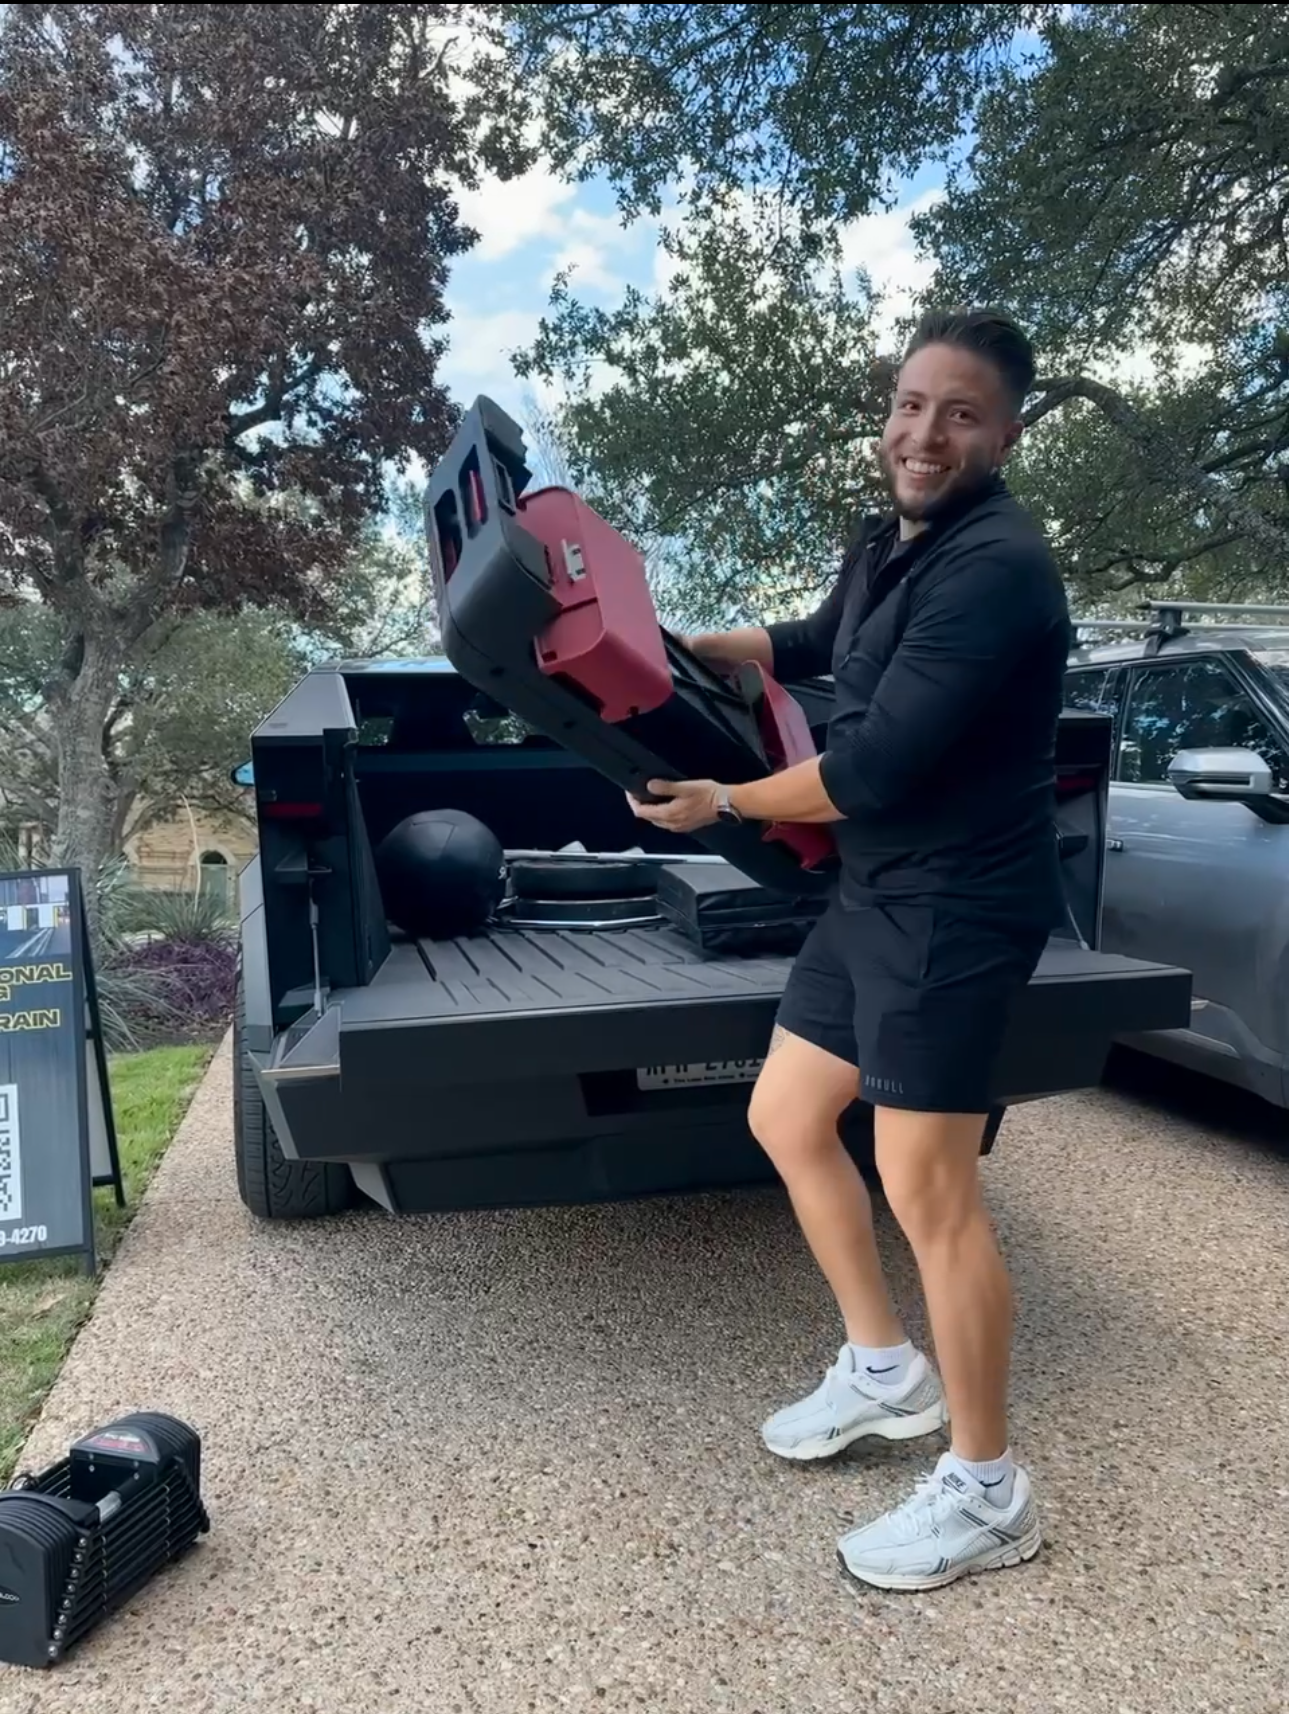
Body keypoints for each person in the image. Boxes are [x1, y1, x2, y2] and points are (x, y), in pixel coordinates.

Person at [628, 306, 1072, 1593]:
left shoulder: (999, 568)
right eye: (909, 405)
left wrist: (724, 800)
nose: (922, 434)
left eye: (959, 414)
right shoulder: (890, 539)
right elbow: (824, 641)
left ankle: (988, 1492)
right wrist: (704, 650)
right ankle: (885, 1371)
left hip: (958, 905)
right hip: (877, 892)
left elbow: (869, 766)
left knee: (926, 1185)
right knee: (783, 1113)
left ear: (1004, 435)